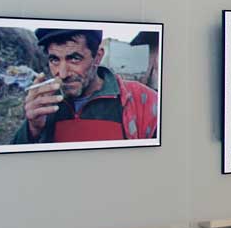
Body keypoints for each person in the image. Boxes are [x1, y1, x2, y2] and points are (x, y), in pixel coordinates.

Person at [14, 28, 159, 144]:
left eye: (74, 59)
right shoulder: (44, 104)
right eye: (54, 60)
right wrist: (33, 128)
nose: (62, 74)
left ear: (98, 57)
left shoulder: (141, 99)